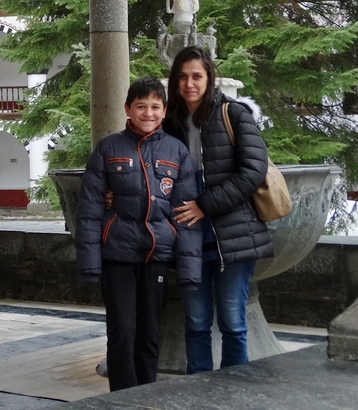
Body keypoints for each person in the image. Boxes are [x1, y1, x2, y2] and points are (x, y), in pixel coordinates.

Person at [75, 76, 202, 391]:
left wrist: (188, 269)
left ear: (164, 110)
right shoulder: (109, 147)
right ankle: (123, 399)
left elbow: (185, 212)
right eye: (141, 106)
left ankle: (146, 394)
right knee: (122, 331)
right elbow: (90, 208)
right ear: (127, 109)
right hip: (118, 255)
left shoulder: (176, 151)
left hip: (156, 256)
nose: (148, 113)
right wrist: (90, 263)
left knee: (149, 333)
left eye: (155, 107)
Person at [163, 45, 273, 374]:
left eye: (197, 76)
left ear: (210, 78)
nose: (189, 83)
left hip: (233, 233)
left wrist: (204, 205)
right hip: (191, 238)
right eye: (182, 77)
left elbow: (253, 171)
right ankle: (199, 392)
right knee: (195, 322)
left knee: (232, 321)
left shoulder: (234, 114)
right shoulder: (170, 123)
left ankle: (233, 393)